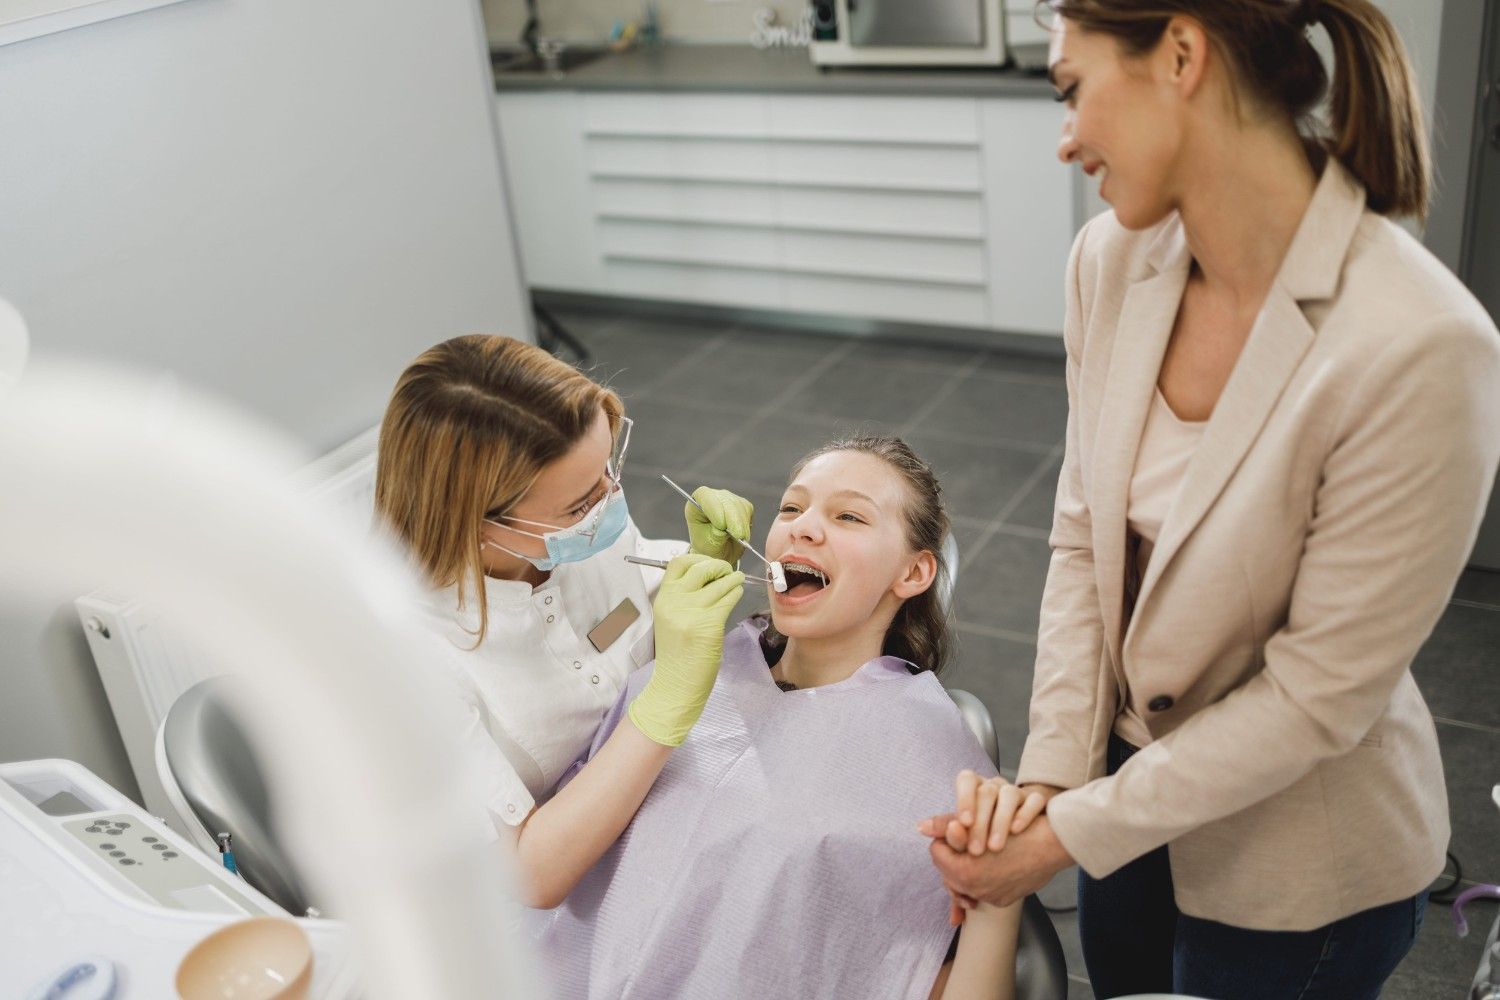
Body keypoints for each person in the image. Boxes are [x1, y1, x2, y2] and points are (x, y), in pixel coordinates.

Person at [921, 1, 1500, 998]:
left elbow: (1317, 696)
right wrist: (1055, 781)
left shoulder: (1422, 344)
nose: (1066, 139)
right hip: (1119, 810)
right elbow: (1080, 539)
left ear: (1181, 54)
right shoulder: (1108, 263)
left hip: (1297, 870)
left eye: (1072, 90)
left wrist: (1066, 830)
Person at [534, 436, 1028, 1000]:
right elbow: (549, 873)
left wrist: (999, 897)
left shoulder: (931, 764)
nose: (803, 527)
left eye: (848, 516)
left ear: (914, 573)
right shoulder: (676, 679)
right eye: (792, 508)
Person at [374, 334, 756, 907]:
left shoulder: (576, 534)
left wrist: (696, 567)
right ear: (475, 524)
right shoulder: (405, 658)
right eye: (579, 505)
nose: (609, 499)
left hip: (664, 823)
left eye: (609, 468)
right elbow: (527, 878)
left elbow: (624, 612)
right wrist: (665, 705)